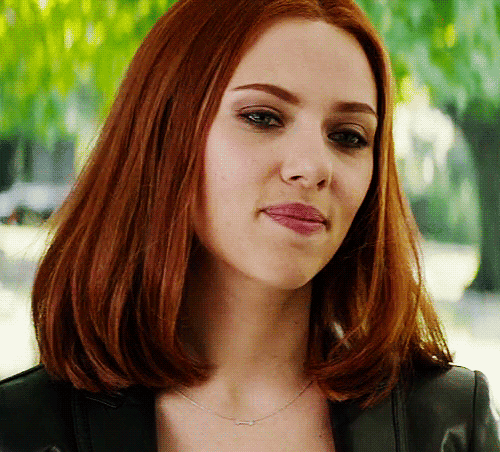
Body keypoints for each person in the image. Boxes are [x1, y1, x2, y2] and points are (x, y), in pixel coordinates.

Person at [1, 0, 499, 450]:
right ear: (164, 132)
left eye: (348, 136)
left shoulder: (448, 424)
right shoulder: (22, 427)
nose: (313, 167)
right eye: (263, 117)